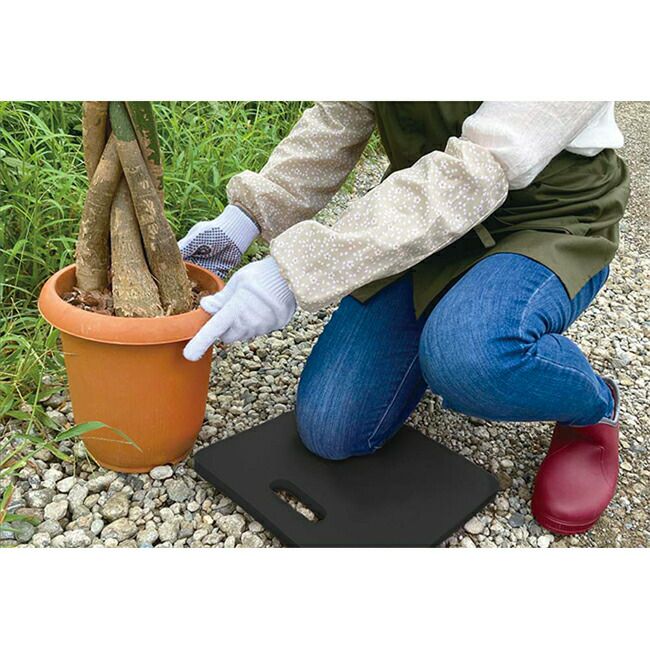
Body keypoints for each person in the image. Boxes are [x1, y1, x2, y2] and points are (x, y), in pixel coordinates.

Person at [178, 102, 629, 536]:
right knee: (329, 427)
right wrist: (242, 221)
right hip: (424, 218)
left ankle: (592, 408)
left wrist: (291, 272)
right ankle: (457, 318)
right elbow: (337, 119)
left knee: (472, 356)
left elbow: (479, 168)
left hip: (542, 216)